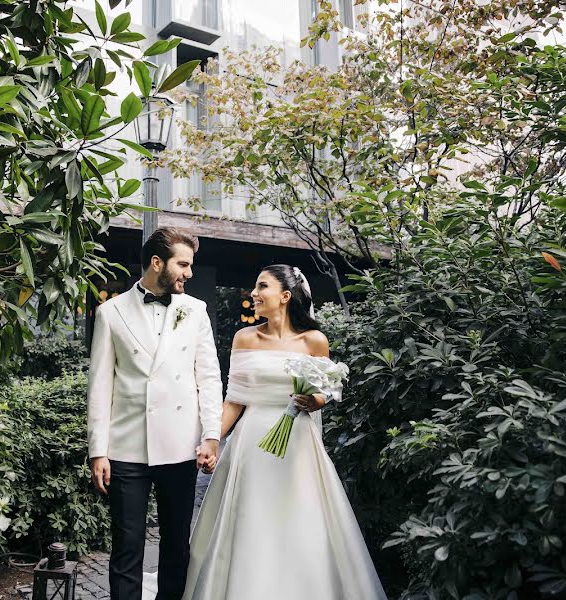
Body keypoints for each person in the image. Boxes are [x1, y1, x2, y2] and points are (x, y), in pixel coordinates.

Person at [182, 264, 387, 600]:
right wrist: (212, 440)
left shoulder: (314, 340)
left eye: (262, 286)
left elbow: (326, 392)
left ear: (285, 296)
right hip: (251, 444)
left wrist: (313, 400)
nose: (254, 293)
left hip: (298, 446)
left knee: (301, 522)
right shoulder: (244, 338)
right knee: (251, 521)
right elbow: (234, 400)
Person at [87, 227, 223, 600]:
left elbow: (208, 377)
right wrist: (98, 449)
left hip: (179, 447)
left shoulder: (196, 311)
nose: (189, 273)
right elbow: (100, 386)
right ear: (157, 262)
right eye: (183, 264)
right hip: (126, 447)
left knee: (177, 545)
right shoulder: (110, 313)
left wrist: (211, 434)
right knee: (127, 545)